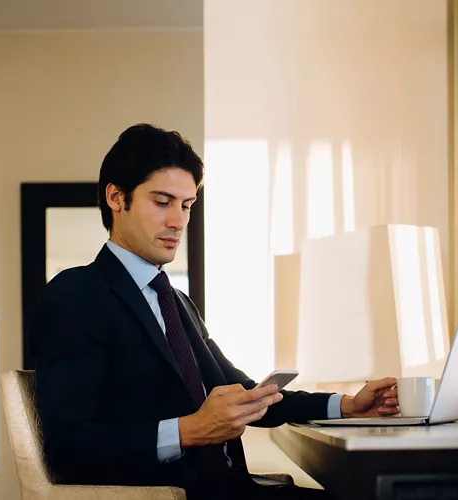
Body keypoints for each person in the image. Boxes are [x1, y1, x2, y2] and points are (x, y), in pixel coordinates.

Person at [31, 124, 400, 500]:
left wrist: (349, 405)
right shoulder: (76, 295)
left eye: (186, 205)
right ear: (115, 197)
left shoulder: (176, 301)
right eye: (162, 202)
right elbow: (68, 447)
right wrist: (190, 429)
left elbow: (250, 394)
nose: (178, 220)